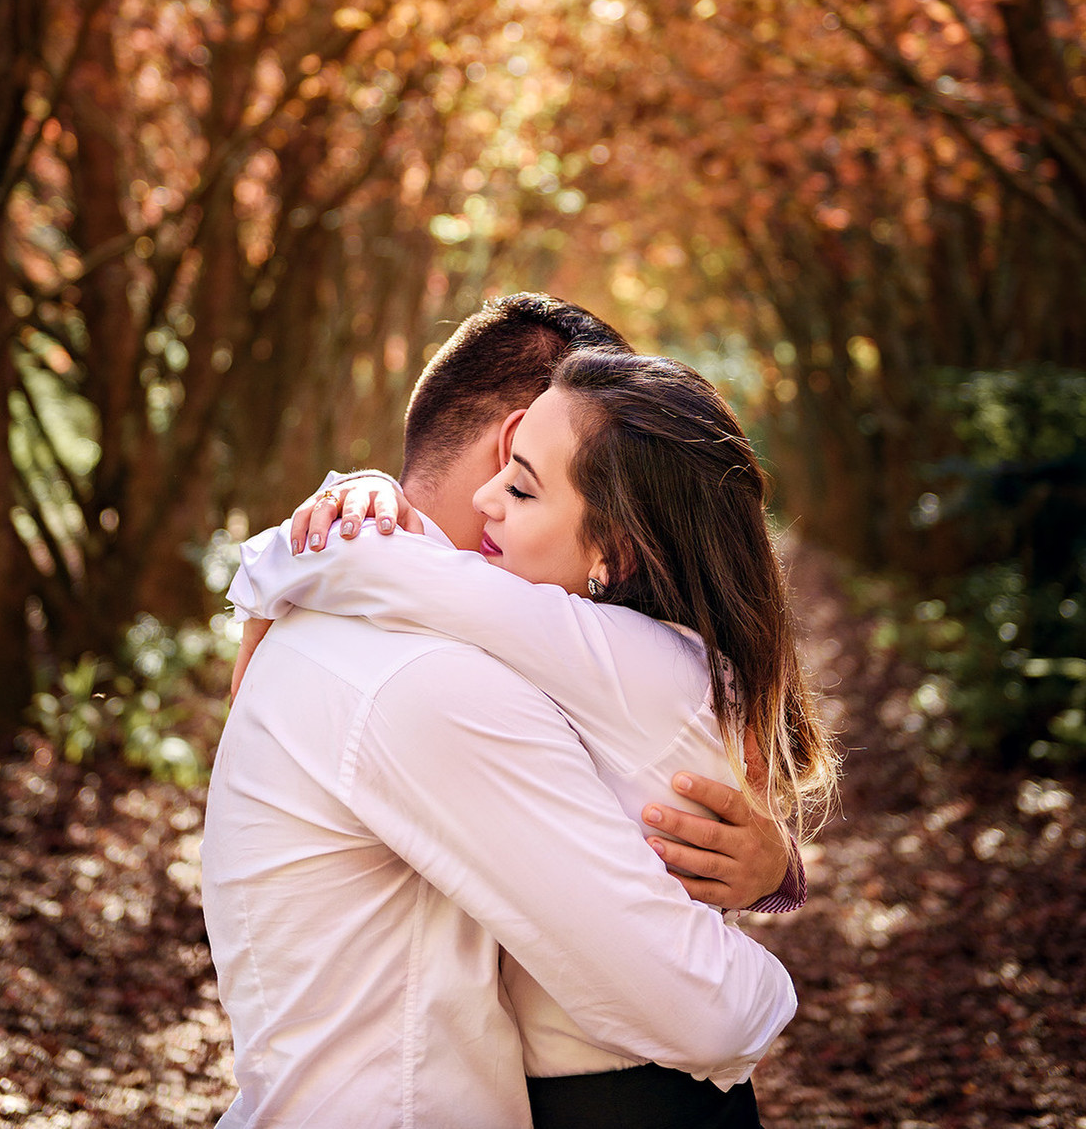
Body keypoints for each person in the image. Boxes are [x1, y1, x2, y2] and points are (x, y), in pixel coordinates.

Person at [202, 297, 802, 1129]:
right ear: (509, 434)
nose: (493, 498)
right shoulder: (431, 675)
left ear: (617, 539)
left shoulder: (536, 651)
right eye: (509, 473)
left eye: (521, 486)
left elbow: (414, 579)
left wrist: (289, 555)